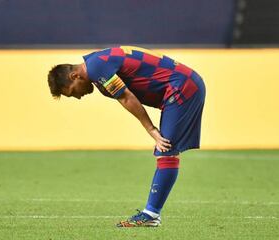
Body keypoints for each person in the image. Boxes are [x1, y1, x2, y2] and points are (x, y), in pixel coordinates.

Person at [47, 46, 206, 227]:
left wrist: (151, 129)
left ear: (74, 76)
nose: (77, 97)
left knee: (165, 150)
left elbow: (126, 98)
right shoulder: (95, 62)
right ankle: (151, 213)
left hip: (182, 87)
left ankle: (151, 215)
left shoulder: (97, 67)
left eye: (72, 92)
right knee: (166, 150)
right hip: (183, 84)